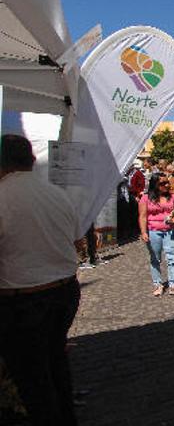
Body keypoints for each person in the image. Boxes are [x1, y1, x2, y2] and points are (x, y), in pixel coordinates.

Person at [0, 135, 81, 425]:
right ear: (32, 161)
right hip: (64, 291)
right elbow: (74, 238)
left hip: (25, 300)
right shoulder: (56, 193)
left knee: (34, 379)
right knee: (56, 365)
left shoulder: (4, 195)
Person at [139, 173, 174, 296]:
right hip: (153, 231)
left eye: (167, 182)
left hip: (170, 231)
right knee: (155, 258)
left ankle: (173, 285)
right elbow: (143, 216)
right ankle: (157, 284)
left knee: (172, 258)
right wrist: (144, 232)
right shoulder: (146, 198)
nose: (166, 185)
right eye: (162, 183)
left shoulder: (172, 196)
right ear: (155, 184)